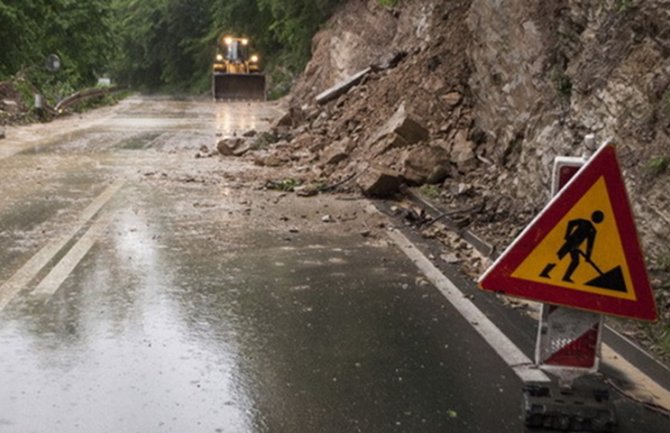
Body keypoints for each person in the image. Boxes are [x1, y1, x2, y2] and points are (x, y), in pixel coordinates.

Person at [540, 211, 604, 283]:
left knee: (575, 261)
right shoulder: (584, 223)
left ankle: (565, 277)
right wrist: (567, 235)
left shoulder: (591, 229)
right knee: (558, 257)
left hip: (575, 246)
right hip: (570, 243)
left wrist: (588, 256)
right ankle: (544, 272)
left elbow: (590, 244)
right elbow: (571, 223)